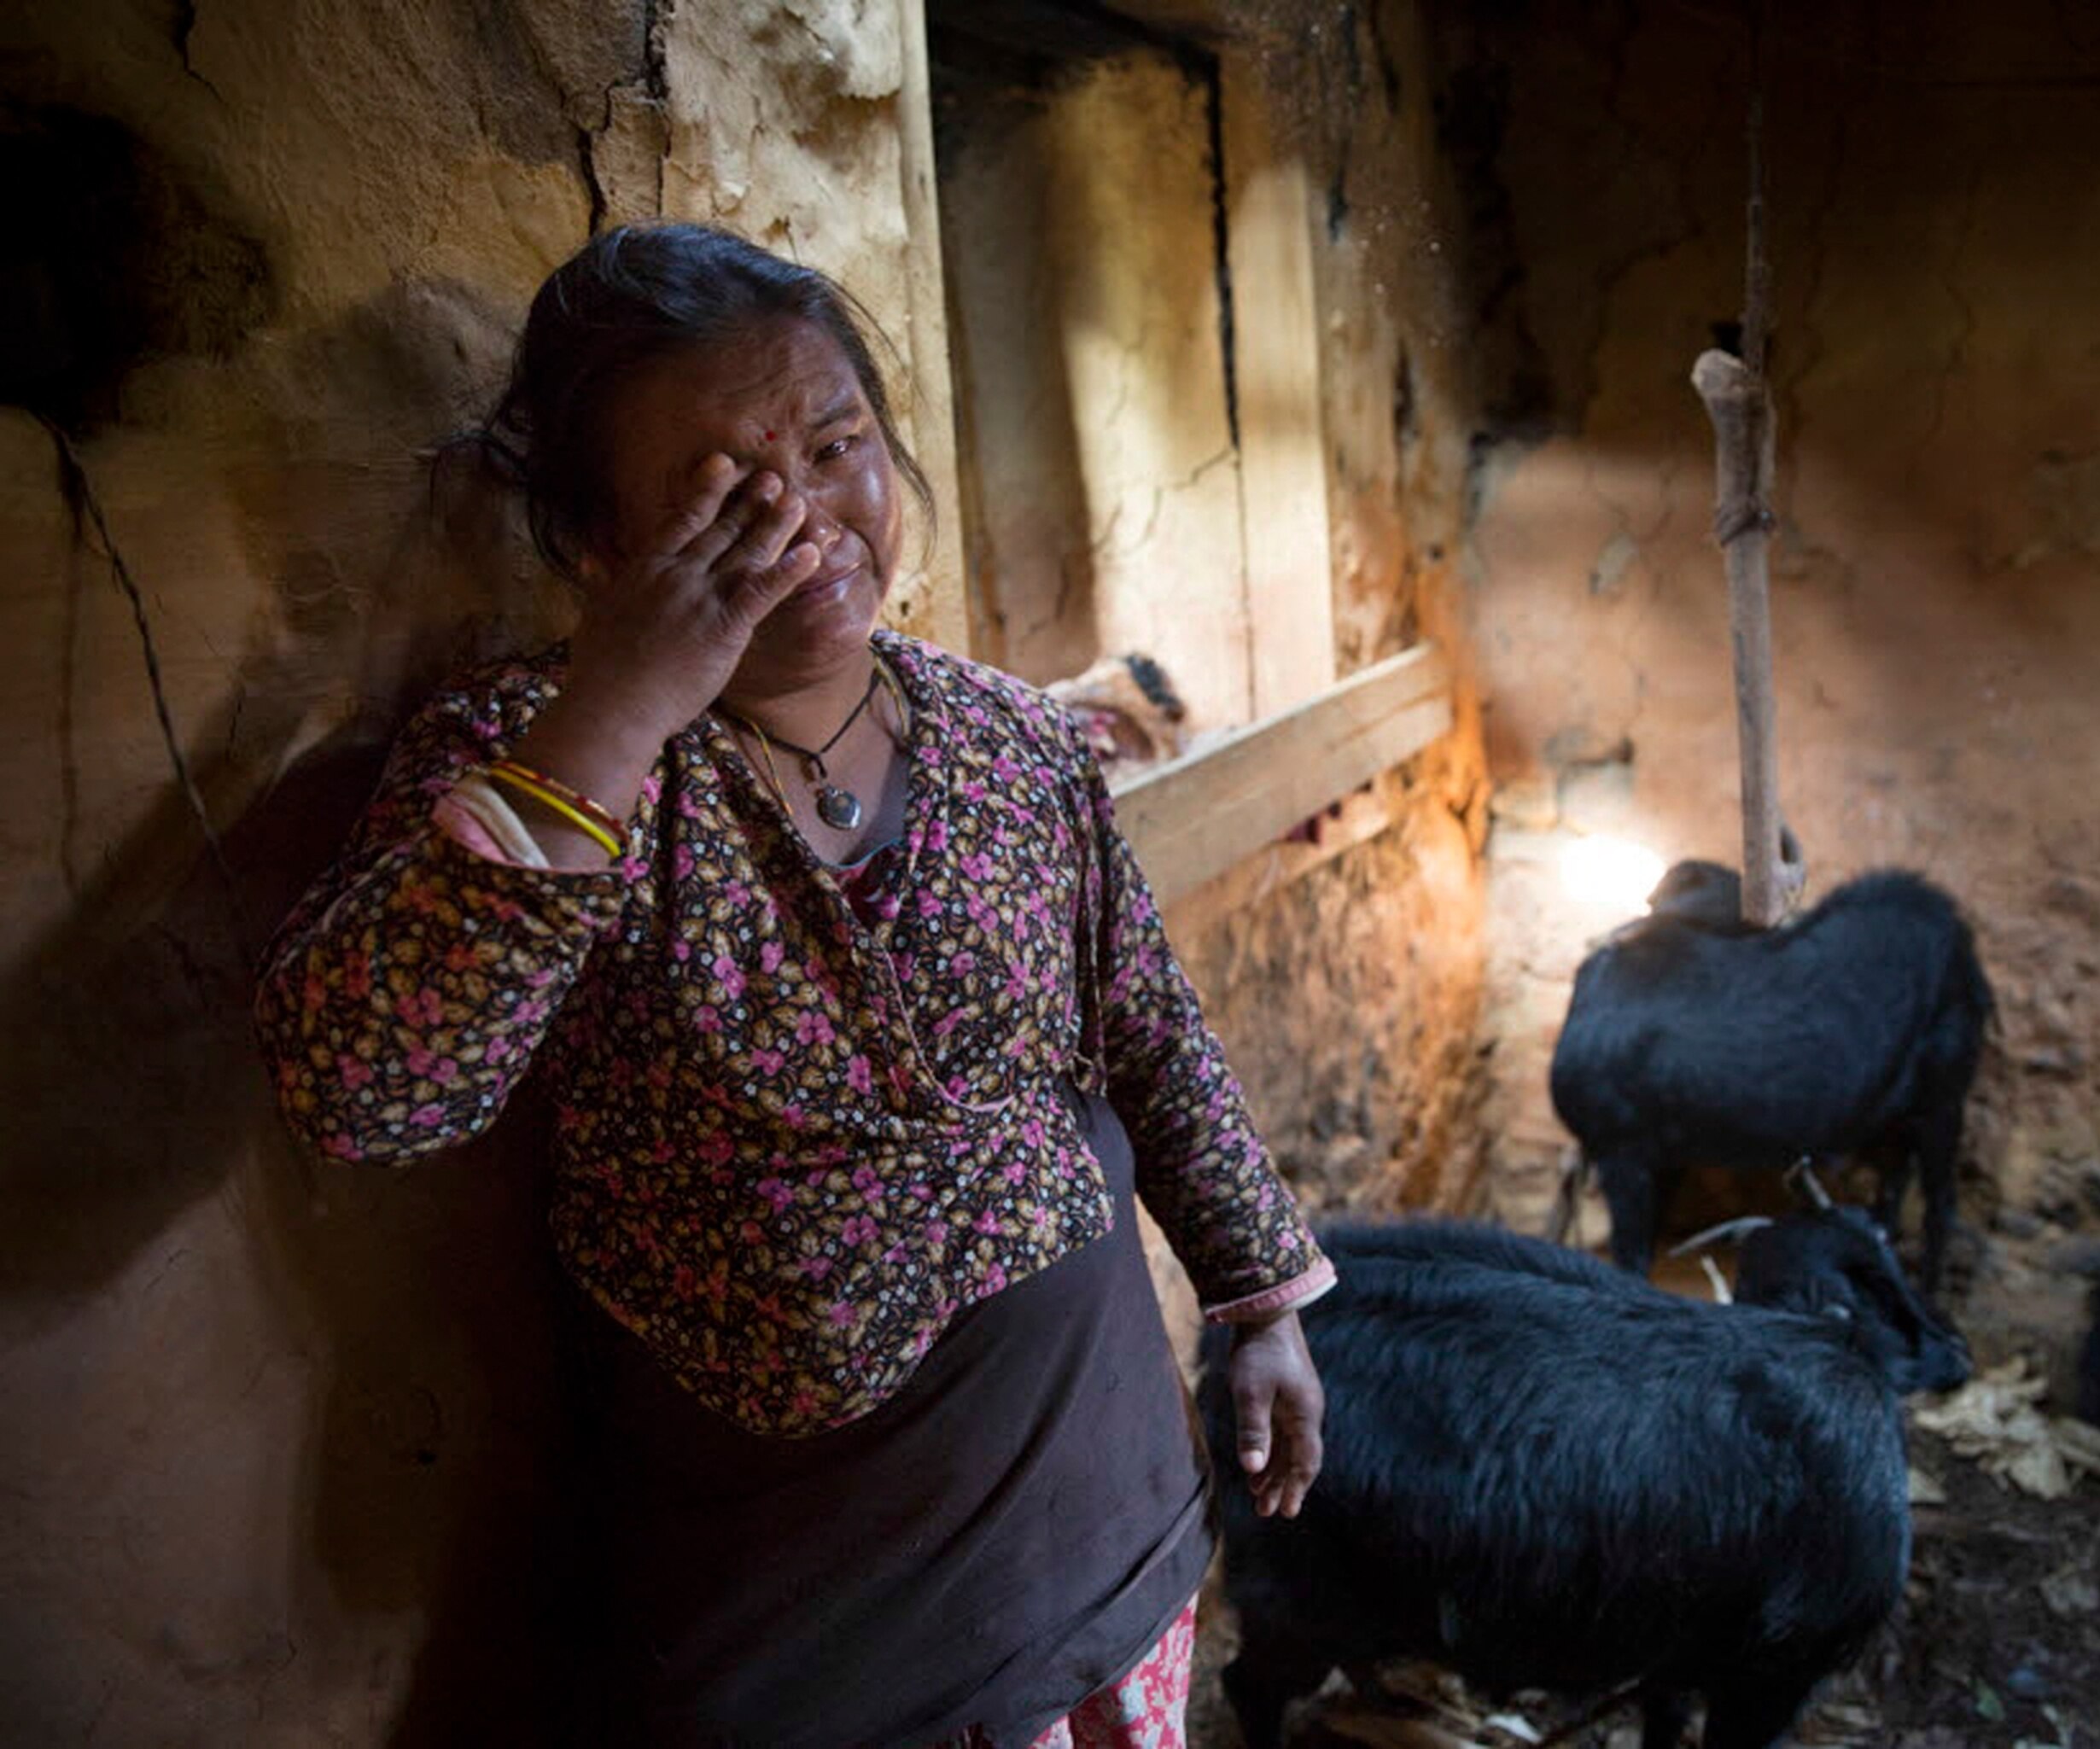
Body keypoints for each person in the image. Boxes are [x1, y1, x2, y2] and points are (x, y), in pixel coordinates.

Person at [255, 222, 1331, 1748]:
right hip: (810, 1612)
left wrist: (1260, 1291)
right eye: (718, 499)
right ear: (593, 545)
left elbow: (1145, 1025)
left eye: (836, 449)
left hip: (1103, 1510)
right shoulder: (546, 757)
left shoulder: (1011, 736)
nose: (806, 523)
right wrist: (619, 705)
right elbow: (364, 1092)